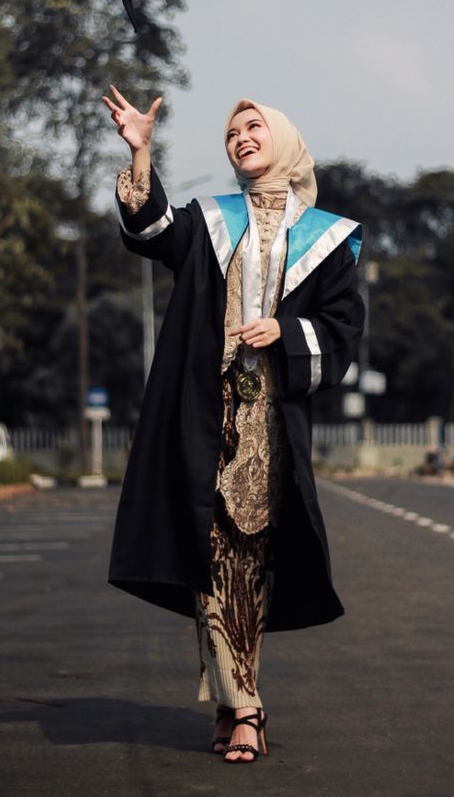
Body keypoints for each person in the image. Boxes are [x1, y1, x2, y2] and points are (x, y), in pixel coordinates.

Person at [102, 86, 364, 764]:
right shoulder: (209, 222)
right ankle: (246, 706)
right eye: (230, 133)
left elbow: (341, 332)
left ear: (282, 138)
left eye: (253, 127)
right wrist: (140, 151)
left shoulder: (327, 240)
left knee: (249, 566)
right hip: (203, 415)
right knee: (210, 558)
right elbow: (151, 230)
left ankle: (230, 699)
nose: (240, 137)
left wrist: (285, 329)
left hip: (270, 425)